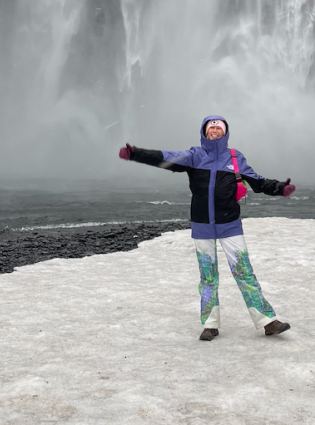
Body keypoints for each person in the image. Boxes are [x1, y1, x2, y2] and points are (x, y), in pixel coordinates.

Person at [118, 115, 296, 341]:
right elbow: (165, 158)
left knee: (244, 272)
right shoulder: (194, 156)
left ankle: (267, 321)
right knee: (208, 276)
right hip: (202, 225)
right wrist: (136, 154)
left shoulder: (235, 157)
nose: (215, 131)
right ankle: (210, 325)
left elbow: (258, 182)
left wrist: (280, 188)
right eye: (211, 128)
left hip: (230, 224)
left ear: (225, 132)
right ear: (204, 131)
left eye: (219, 128)